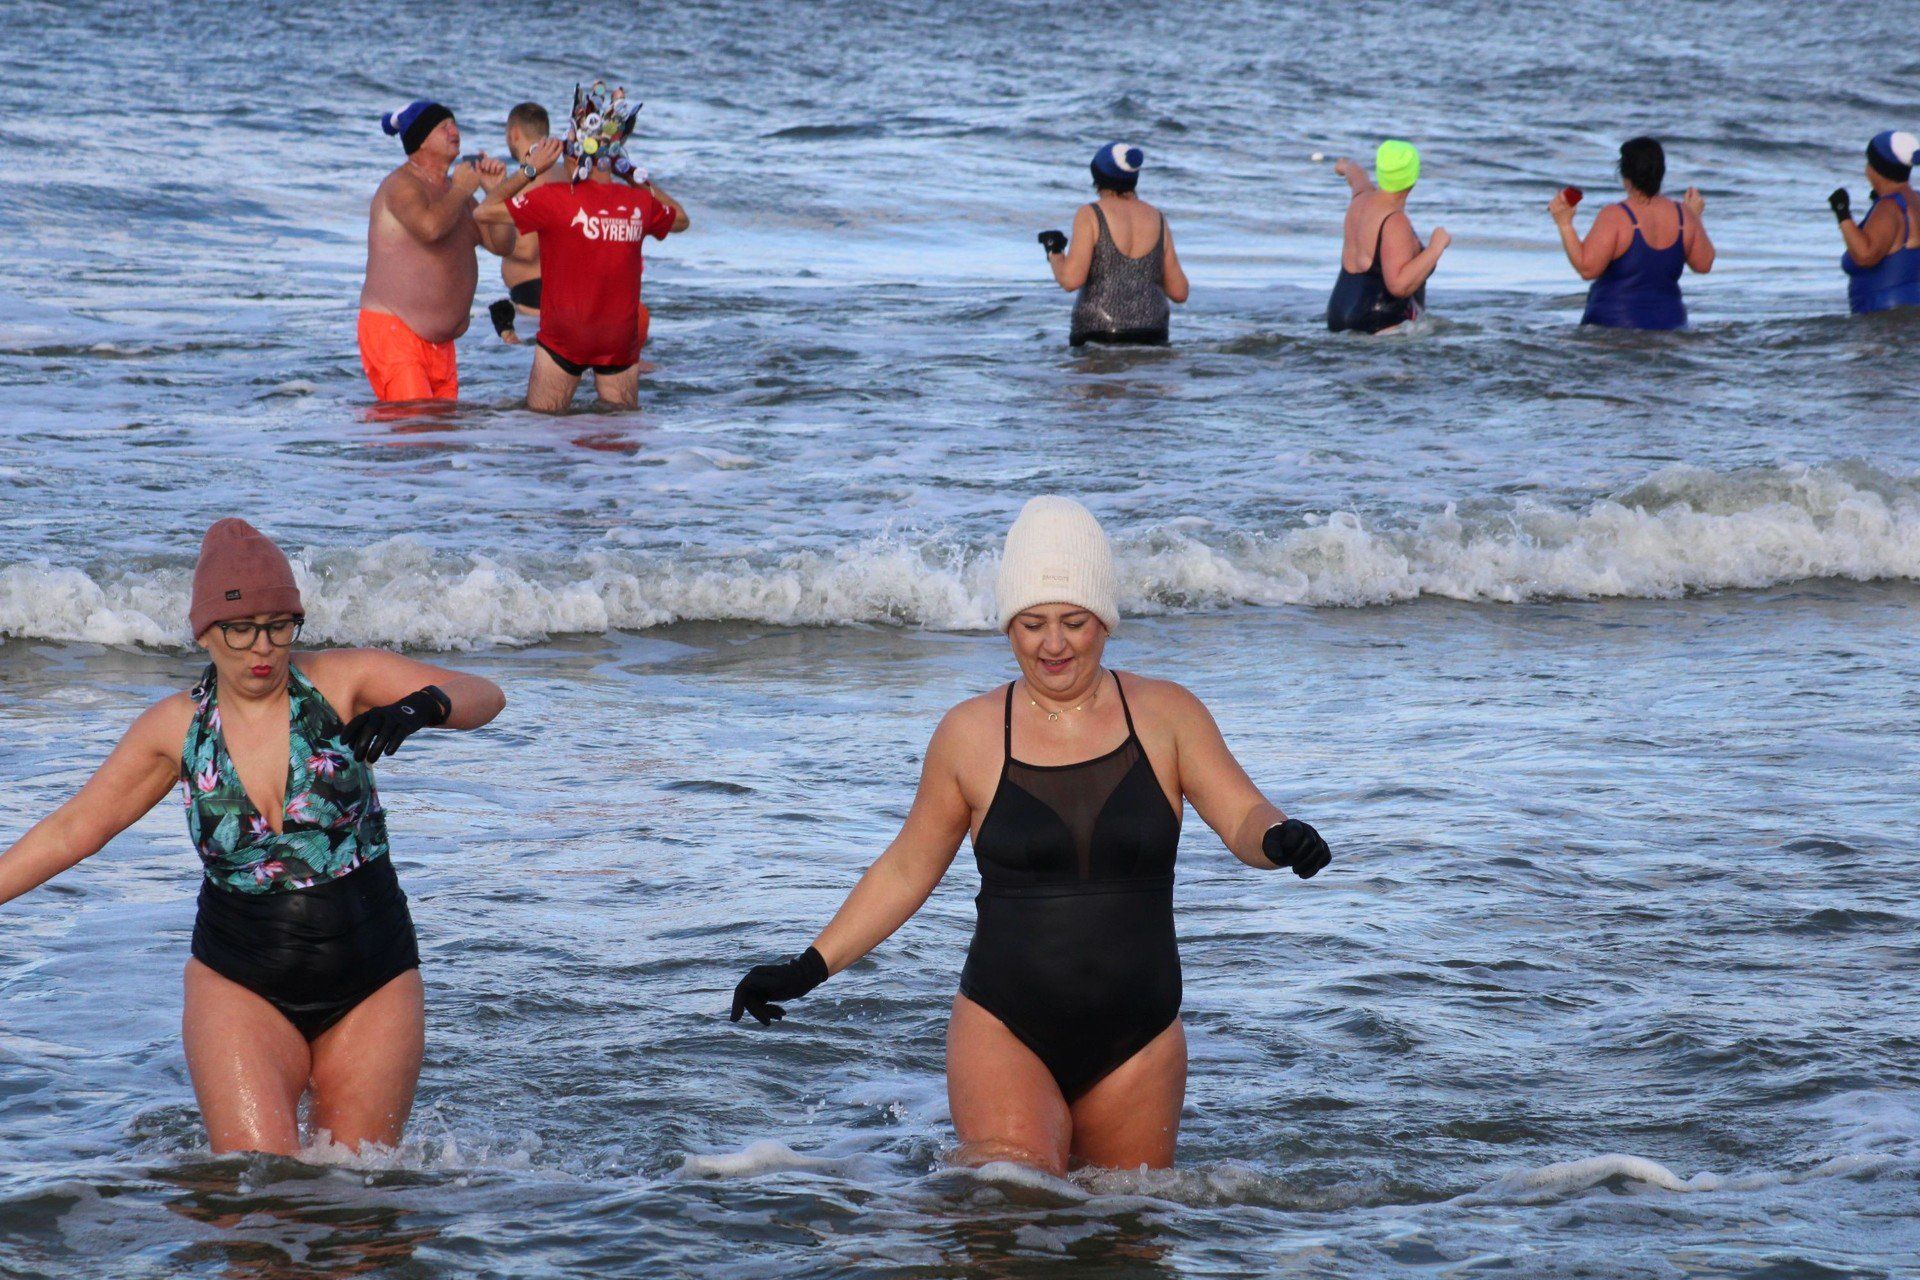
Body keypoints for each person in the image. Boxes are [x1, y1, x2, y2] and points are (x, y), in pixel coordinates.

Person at [728, 496, 1332, 1175]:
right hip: (1004, 1027)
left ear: (1104, 619)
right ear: (1007, 624)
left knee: (1127, 1236)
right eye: (1031, 623)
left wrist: (1282, 839)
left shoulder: (1168, 715)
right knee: (1011, 1212)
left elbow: (1243, 816)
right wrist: (808, 968)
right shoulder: (970, 734)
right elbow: (905, 870)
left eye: (1073, 622)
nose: (1052, 644)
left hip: (1141, 1040)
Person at [0, 519, 505, 1156]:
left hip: (374, 978)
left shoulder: (342, 681)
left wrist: (422, 706)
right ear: (206, 631)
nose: (261, 648)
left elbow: (485, 693)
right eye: (240, 629)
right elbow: (75, 828)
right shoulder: (175, 729)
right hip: (240, 983)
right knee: (257, 1200)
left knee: (357, 1204)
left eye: (279, 625)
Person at [475, 82, 690, 413]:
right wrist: (634, 176)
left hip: (566, 335)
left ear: (573, 156)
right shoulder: (637, 203)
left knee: (542, 427)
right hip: (618, 337)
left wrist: (530, 170)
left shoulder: (556, 199)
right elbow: (681, 219)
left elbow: (484, 211)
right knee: (618, 435)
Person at [358, 100, 515, 402]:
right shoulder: (401, 184)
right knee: (413, 429)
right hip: (394, 330)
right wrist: (461, 189)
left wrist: (496, 192)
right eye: (443, 127)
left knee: (440, 440)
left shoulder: (459, 195)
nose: (454, 131)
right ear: (420, 139)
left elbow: (502, 244)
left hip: (441, 345)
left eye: (454, 124)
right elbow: (430, 228)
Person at [1549, 137, 1713, 330]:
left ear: (1624, 174)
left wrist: (1565, 224)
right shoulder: (1684, 215)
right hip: (1671, 325)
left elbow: (1587, 269)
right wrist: (1694, 217)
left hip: (1613, 326)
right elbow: (1704, 265)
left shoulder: (1615, 216)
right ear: (1661, 172)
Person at [1038, 143, 1189, 346]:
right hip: (1153, 331)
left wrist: (1054, 251)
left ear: (1097, 177)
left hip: (1098, 332)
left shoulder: (1091, 214)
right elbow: (1179, 292)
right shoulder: (1156, 217)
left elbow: (1071, 280)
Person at [1327, 140, 1448, 334]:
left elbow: (1356, 174)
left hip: (1337, 312)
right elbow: (1399, 285)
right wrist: (1436, 248)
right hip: (1375, 320)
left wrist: (1345, 166)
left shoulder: (1361, 197)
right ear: (1413, 176)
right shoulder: (1395, 222)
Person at [1831, 130, 1920, 315]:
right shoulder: (1914, 200)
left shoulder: (1889, 208)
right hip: (1909, 315)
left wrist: (1842, 214)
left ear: (1875, 168)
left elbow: (1865, 256)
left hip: (1886, 320)